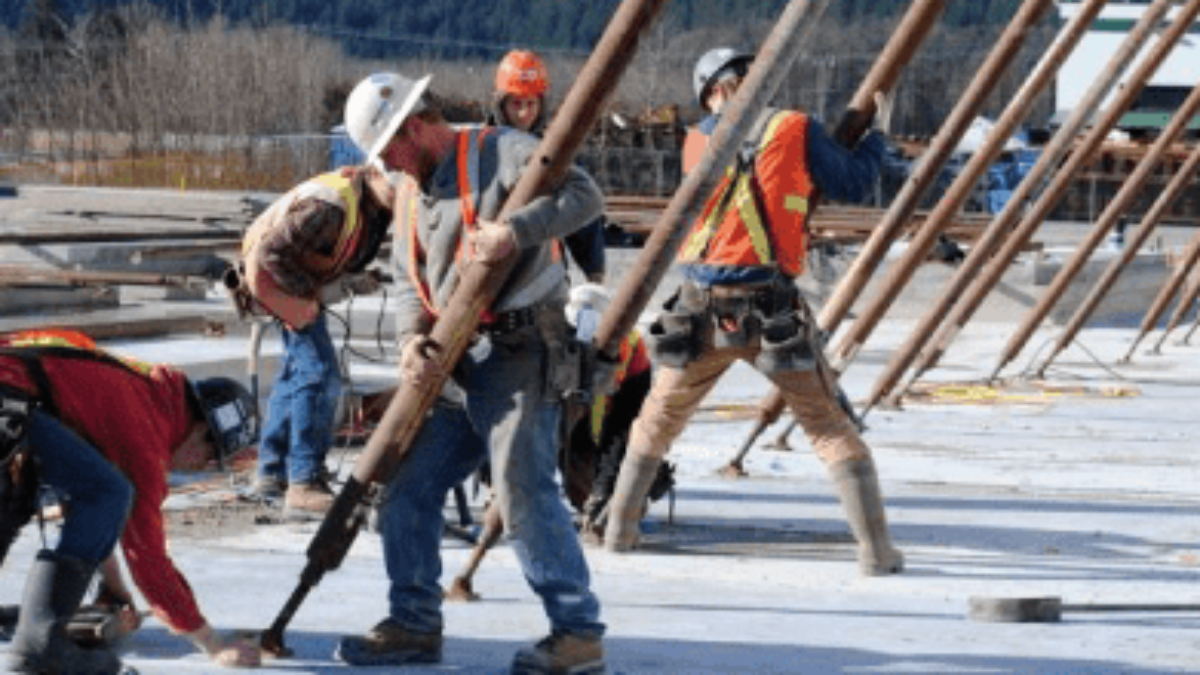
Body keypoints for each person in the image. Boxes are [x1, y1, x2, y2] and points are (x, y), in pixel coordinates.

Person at [337, 71, 606, 674]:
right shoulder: (409, 191)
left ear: (413, 128)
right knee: (407, 488)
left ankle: (578, 631)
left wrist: (516, 231)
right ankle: (413, 622)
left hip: (521, 350)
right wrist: (410, 340)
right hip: (457, 360)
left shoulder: (501, 150)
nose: (387, 166)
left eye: (388, 150)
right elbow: (407, 280)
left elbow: (586, 197)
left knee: (521, 487)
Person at [601, 47, 905, 577]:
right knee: (828, 427)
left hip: (699, 307)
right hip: (770, 309)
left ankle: (619, 534)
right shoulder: (792, 126)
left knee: (656, 422)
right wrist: (877, 136)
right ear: (728, 85)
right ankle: (877, 553)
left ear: (709, 95)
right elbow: (853, 183)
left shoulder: (696, 140)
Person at [0, 329, 262, 672]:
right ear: (201, 431)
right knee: (107, 491)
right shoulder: (149, 434)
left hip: (13, 397)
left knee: (22, 489)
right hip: (10, 399)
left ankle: (40, 639)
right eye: (212, 459)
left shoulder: (148, 394)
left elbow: (86, 505)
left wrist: (115, 589)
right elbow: (148, 560)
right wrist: (213, 644)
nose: (203, 469)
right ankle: (42, 647)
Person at [230, 164, 394, 521]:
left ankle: (272, 473)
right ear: (374, 173)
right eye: (396, 183)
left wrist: (349, 279)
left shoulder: (374, 206)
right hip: (272, 280)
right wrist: (302, 300)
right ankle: (304, 483)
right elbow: (270, 256)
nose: (404, 192)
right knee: (318, 372)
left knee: (296, 371)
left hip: (287, 279)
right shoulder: (330, 207)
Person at [558, 283, 672, 542]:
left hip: (606, 422)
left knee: (613, 492)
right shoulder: (550, 339)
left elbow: (624, 429)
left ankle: (613, 500)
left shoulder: (631, 348)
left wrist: (603, 490)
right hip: (570, 421)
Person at [488, 49, 607, 284]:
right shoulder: (479, 150)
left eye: (531, 103)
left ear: (541, 104)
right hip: (490, 272)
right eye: (516, 103)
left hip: (545, 279)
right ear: (501, 104)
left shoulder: (556, 156)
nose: (524, 113)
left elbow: (582, 213)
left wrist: (594, 271)